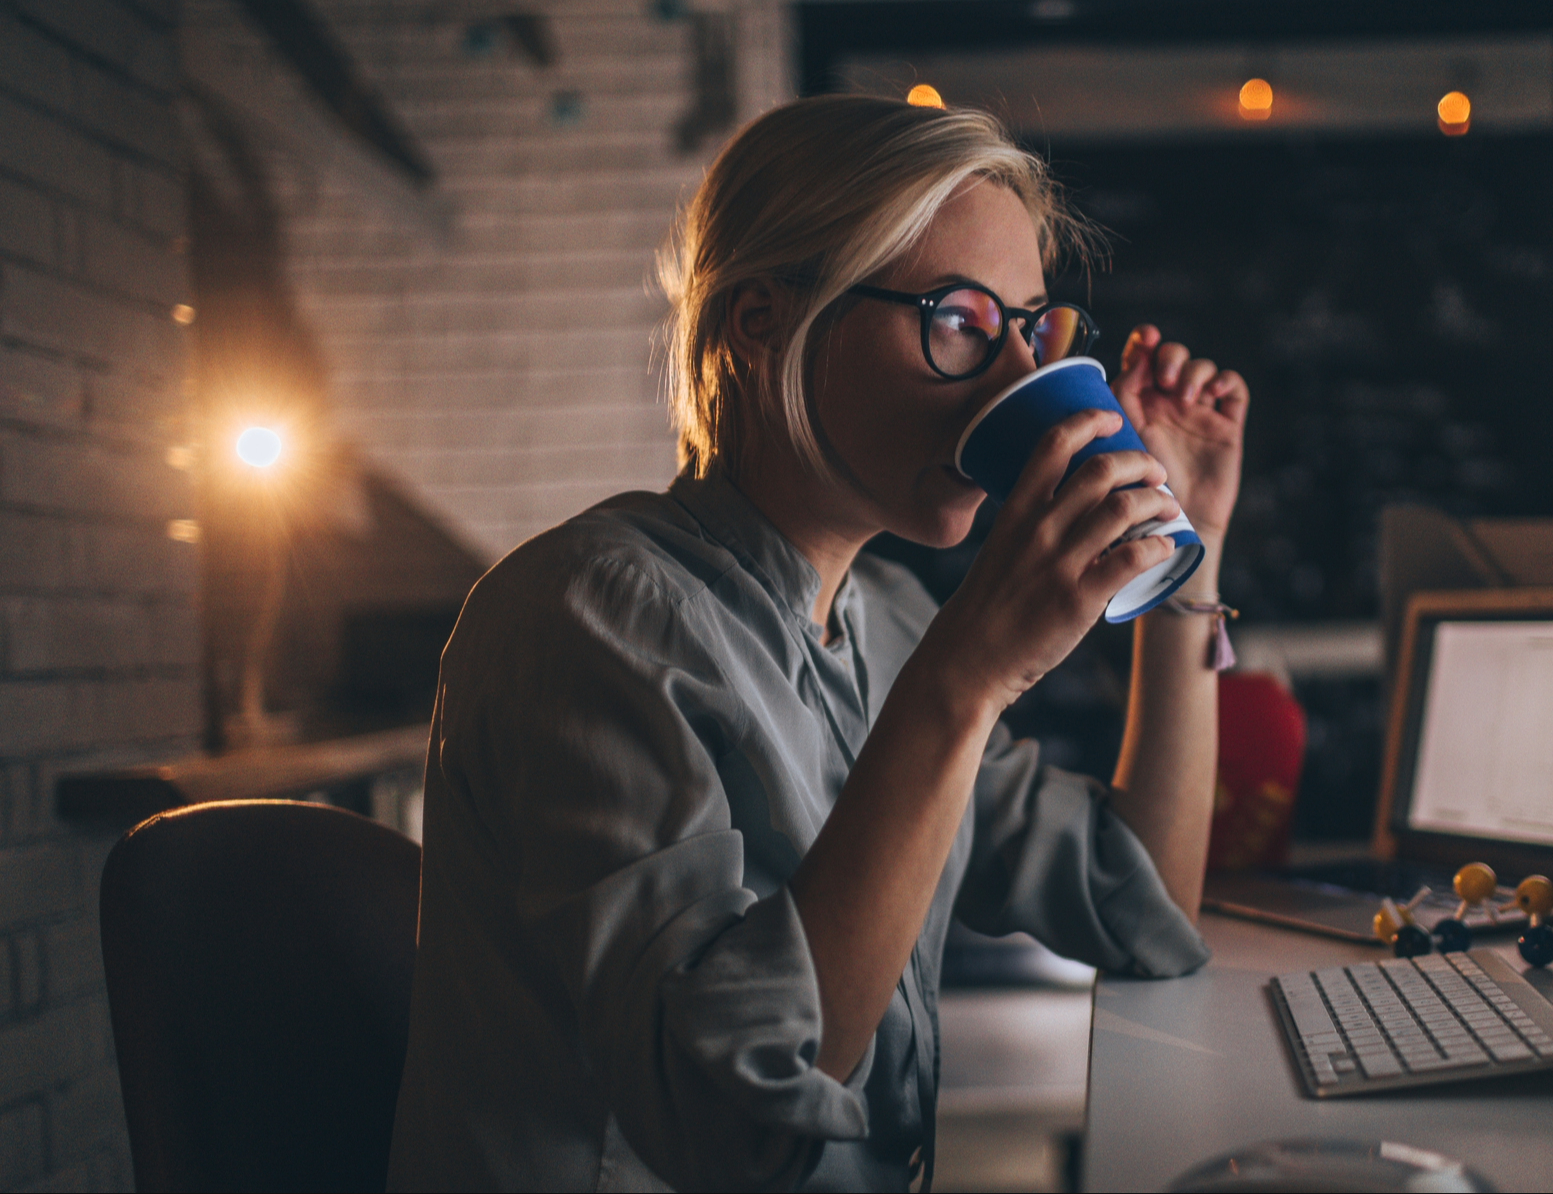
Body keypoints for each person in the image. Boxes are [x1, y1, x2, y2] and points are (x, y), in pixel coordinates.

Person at [386, 94, 1250, 1192]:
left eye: (1029, 330)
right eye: (958, 320)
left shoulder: (888, 619)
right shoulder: (583, 615)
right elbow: (726, 1130)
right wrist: (970, 678)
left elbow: (1142, 911)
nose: (1017, 381)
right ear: (762, 323)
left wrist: (1189, 553)